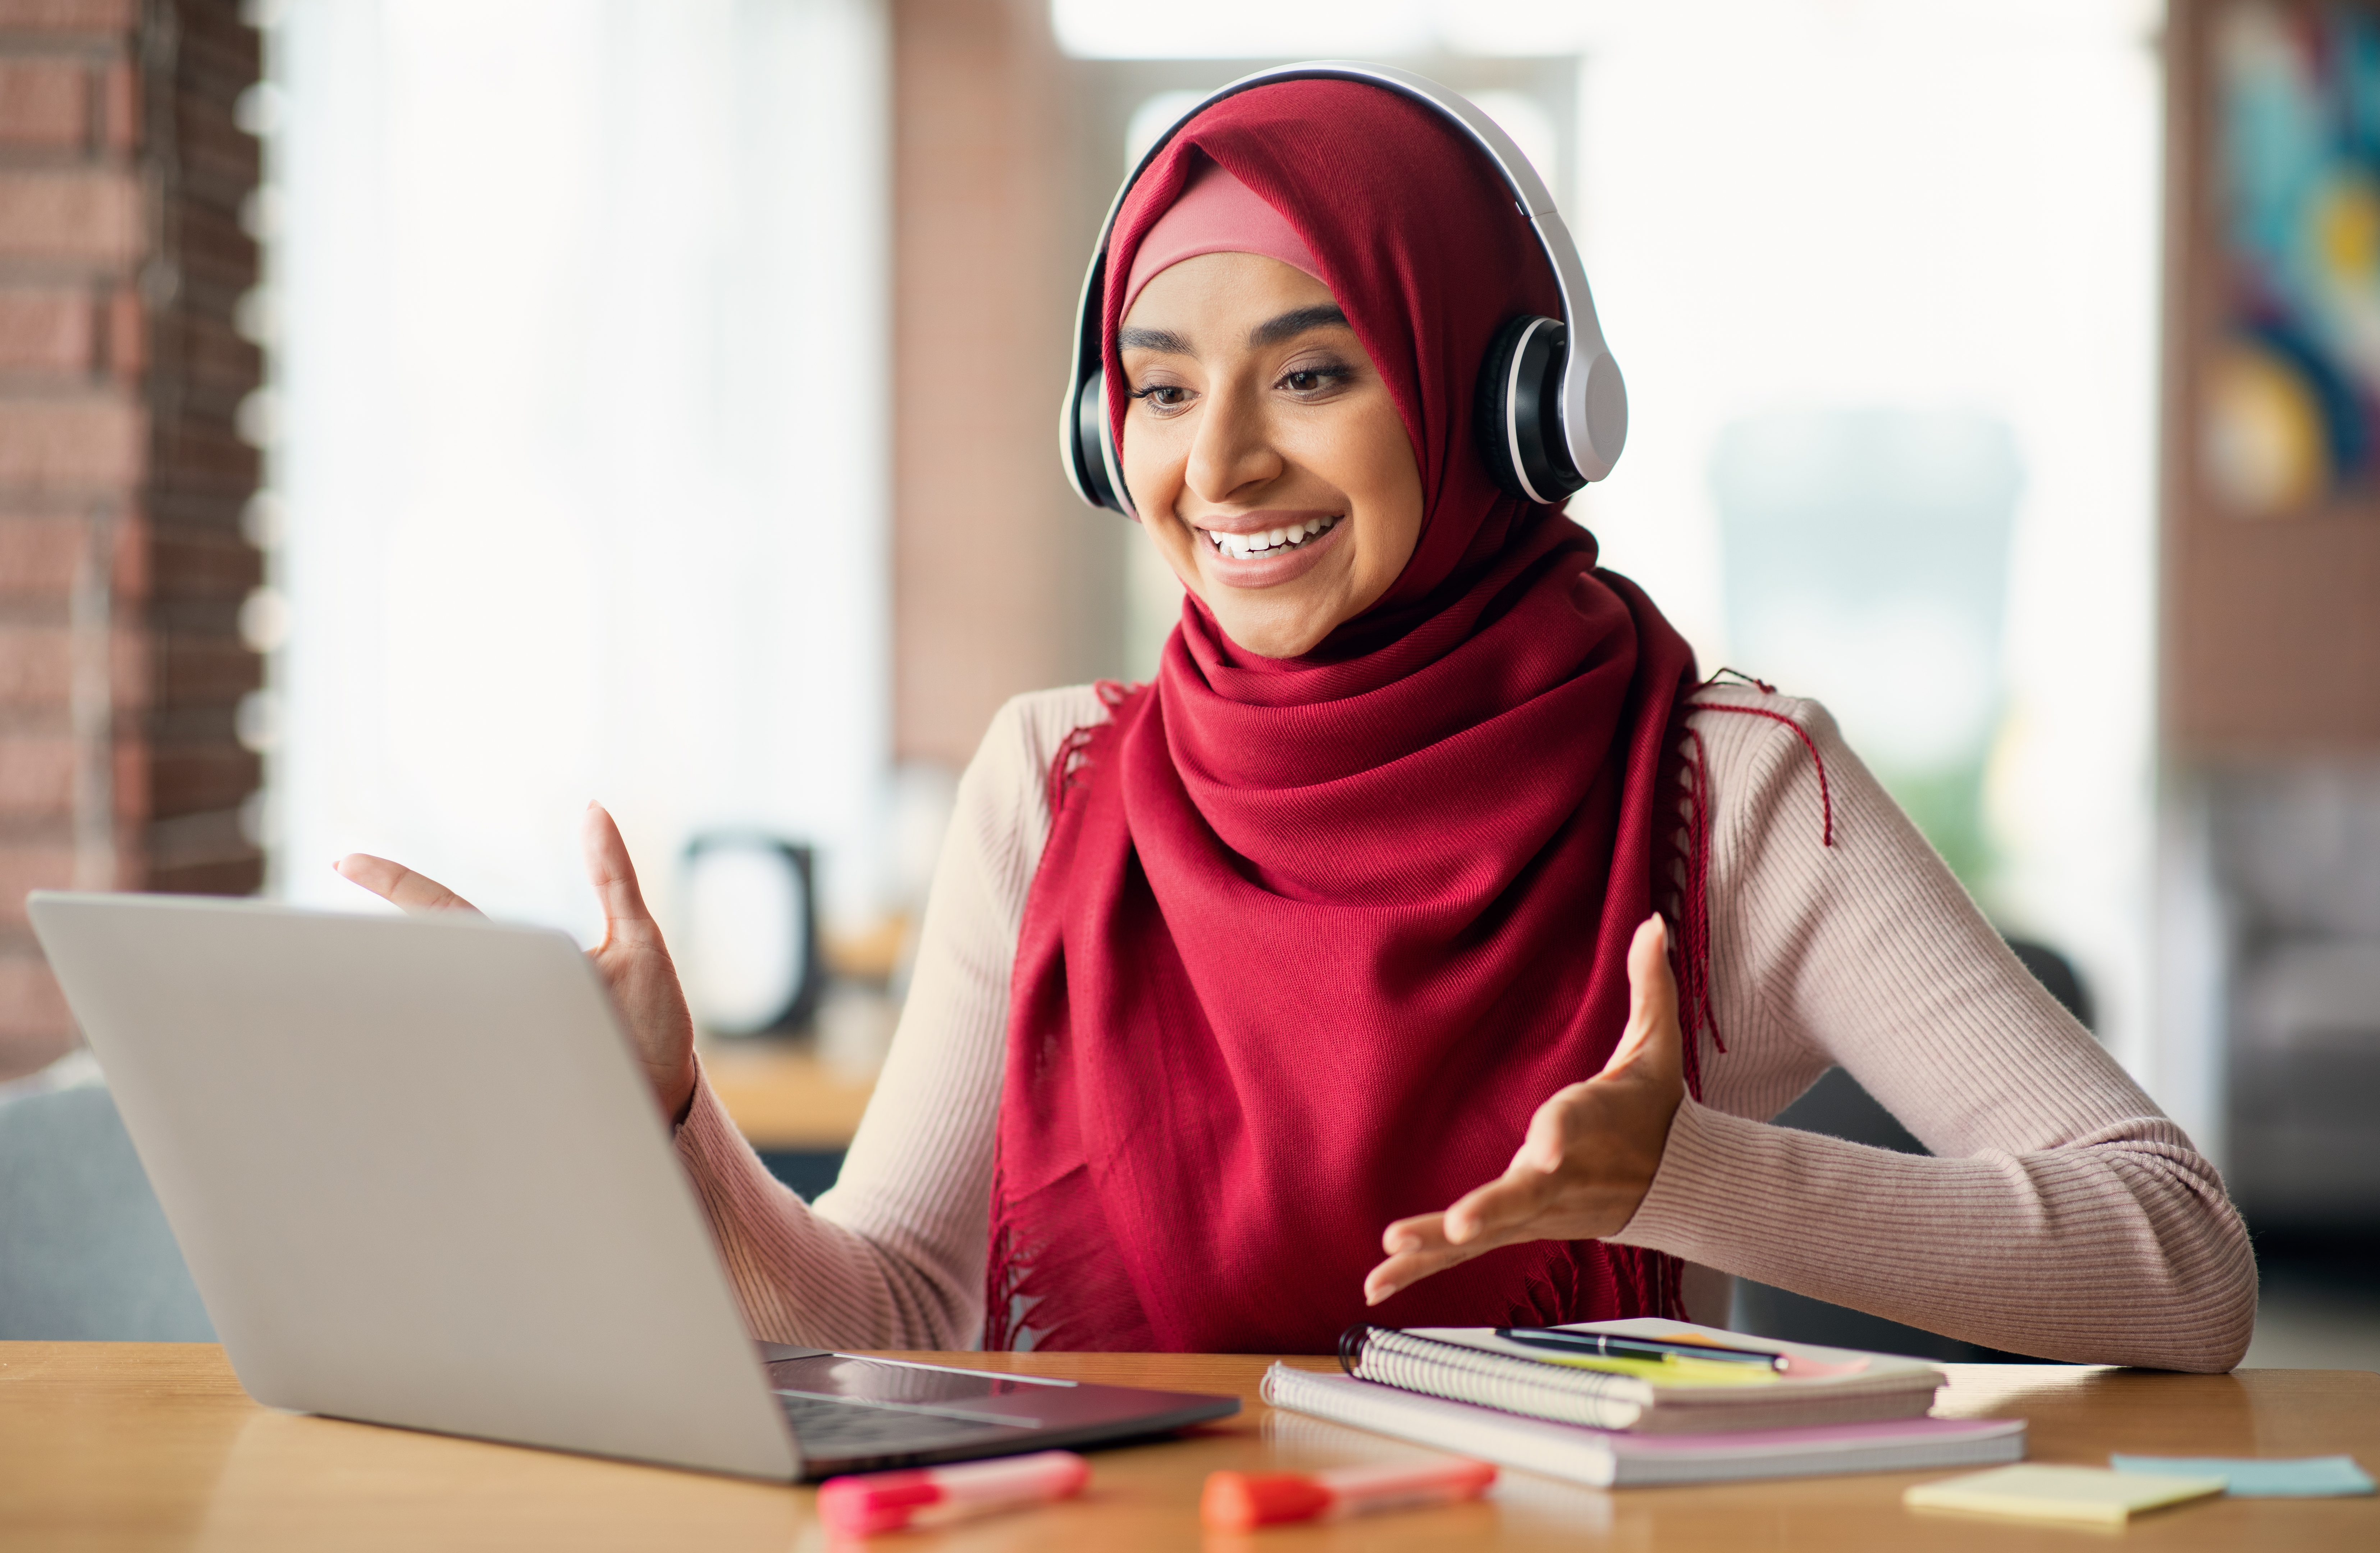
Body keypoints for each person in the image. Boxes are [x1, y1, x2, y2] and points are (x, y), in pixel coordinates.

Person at [339, 77, 2256, 1369]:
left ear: (1504, 399)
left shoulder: (1729, 784)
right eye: (1161, 393)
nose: (1221, 463)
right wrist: (666, 1120)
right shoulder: (1052, 781)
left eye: (1315, 372)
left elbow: (2182, 1260)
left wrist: (1677, 1172)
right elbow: (903, 1309)